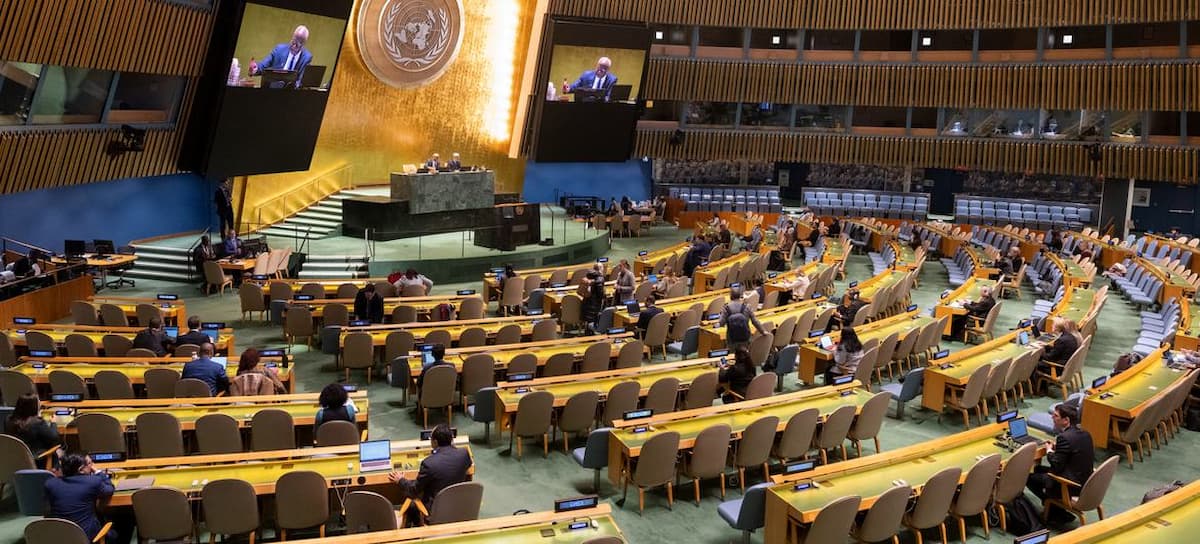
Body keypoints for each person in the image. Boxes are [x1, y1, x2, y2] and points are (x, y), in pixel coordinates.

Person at [1026, 404, 1094, 523]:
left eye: (1056, 416)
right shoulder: (1085, 434)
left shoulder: (1064, 437)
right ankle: (1053, 508)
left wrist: (1049, 450)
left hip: (1070, 486)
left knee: (1028, 478)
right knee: (1038, 469)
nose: (1052, 417)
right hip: (1083, 480)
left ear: (1066, 420)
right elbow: (1074, 451)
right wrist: (1059, 448)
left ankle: (1053, 509)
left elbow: (1056, 465)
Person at [45, 453, 131, 543]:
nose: (92, 466)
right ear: (81, 469)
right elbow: (109, 489)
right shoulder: (93, 482)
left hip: (59, 537)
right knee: (124, 524)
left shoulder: (50, 484)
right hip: (86, 537)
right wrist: (98, 472)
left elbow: (47, 511)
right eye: (90, 463)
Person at [388, 423, 472, 511]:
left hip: (437, 510)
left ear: (435, 442)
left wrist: (400, 480)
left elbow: (414, 490)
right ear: (451, 439)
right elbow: (467, 465)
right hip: (458, 506)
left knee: (412, 507)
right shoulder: (464, 454)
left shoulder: (428, 463)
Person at [5, 394, 61, 458]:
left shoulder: (8, 420)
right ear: (34, 407)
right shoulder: (37, 423)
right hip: (36, 460)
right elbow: (54, 438)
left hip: (13, 458)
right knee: (59, 451)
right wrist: (53, 423)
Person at [720, 286, 766, 350]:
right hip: (746, 338)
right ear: (740, 296)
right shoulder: (747, 307)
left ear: (731, 296)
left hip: (732, 339)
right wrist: (763, 332)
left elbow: (721, 324)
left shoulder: (726, 308)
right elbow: (755, 321)